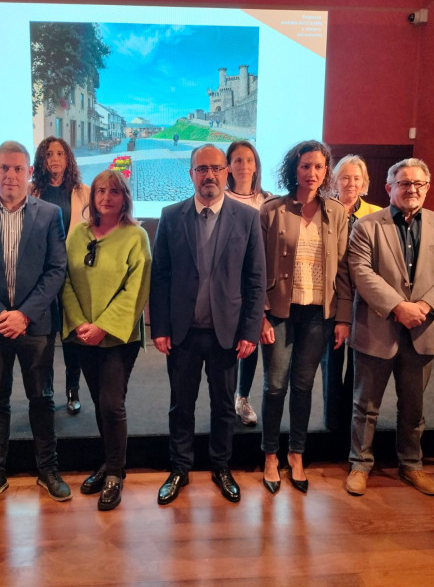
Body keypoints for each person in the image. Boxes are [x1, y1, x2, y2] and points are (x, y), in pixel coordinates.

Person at [0, 140, 70, 510]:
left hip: (34, 326)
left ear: (29, 172)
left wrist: (24, 314)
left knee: (42, 399)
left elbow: (56, 270)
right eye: (4, 168)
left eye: (18, 169)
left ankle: (48, 470)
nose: (11, 175)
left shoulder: (50, 213)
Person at [150, 144, 265, 505]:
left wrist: (249, 331)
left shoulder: (246, 219)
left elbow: (255, 279)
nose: (210, 175)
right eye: (202, 169)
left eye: (216, 168)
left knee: (221, 405)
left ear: (227, 171)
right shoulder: (171, 216)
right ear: (191, 175)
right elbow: (161, 276)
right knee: (180, 405)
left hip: (226, 334)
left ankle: (221, 466)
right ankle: (180, 468)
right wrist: (160, 327)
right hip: (182, 333)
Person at [345, 158, 434, 497]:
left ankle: (411, 465)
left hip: (423, 330)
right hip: (377, 328)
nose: (411, 189)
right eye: (404, 183)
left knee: (413, 407)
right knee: (364, 406)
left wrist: (424, 307)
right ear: (389, 188)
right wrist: (399, 307)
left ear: (427, 187)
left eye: (418, 184)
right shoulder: (366, 226)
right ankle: (360, 464)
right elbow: (361, 272)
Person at [259, 141, 353, 495]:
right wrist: (259, 317)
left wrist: (343, 318)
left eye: (318, 166)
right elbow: (256, 270)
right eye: (304, 166)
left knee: (303, 386)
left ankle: (296, 454)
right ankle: (270, 454)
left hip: (319, 315)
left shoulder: (338, 213)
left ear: (326, 171)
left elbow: (344, 270)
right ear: (293, 169)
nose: (311, 173)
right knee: (275, 386)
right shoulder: (272, 211)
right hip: (279, 313)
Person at [62, 170, 152, 511]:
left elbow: (136, 289)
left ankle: (115, 472)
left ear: (124, 197)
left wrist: (103, 326)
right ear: (92, 196)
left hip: (117, 337)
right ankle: (109, 462)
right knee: (99, 402)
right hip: (83, 334)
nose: (106, 197)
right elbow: (65, 282)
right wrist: (81, 323)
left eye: (114, 191)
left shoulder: (136, 236)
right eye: (100, 190)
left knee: (113, 403)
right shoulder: (77, 236)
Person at [320, 155, 382, 433]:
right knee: (331, 361)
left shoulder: (377, 214)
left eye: (357, 178)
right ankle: (332, 423)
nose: (351, 183)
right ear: (334, 180)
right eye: (345, 177)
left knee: (359, 363)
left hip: (363, 299)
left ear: (365, 182)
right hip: (330, 298)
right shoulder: (323, 210)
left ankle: (352, 422)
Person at [31, 137, 91, 415]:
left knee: (71, 335)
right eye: (48, 154)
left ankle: (72, 390)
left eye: (60, 153)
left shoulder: (84, 192)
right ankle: (45, 391)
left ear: (68, 158)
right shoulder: (31, 192)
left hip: (74, 274)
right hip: (41, 274)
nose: (54, 158)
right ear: (41, 160)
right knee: (45, 335)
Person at [225, 140, 268, 427]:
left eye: (248, 160)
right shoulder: (220, 200)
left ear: (256, 165)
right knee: (228, 347)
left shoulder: (269, 201)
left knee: (249, 343)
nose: (243, 166)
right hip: (227, 287)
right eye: (237, 160)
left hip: (257, 285)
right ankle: (225, 400)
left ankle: (243, 397)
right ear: (228, 166)